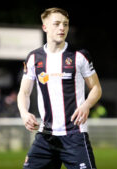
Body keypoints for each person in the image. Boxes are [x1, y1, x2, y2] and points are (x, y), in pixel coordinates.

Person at [17, 7, 102, 169]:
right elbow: (24, 92)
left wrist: (86, 105)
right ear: (45, 27)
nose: (62, 28)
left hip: (74, 135)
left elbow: (96, 88)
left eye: (65, 24)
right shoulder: (34, 57)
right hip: (45, 137)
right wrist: (24, 112)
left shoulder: (79, 55)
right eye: (56, 24)